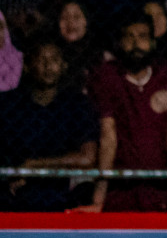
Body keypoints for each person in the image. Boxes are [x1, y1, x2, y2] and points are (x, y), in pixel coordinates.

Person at [86, 12, 167, 212]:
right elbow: (108, 138)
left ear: (153, 42)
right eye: (129, 37)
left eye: (142, 37)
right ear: (119, 43)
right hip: (120, 189)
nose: (136, 44)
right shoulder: (106, 76)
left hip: (163, 188)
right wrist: (98, 201)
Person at [0, 36, 97, 211]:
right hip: (12, 195)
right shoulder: (8, 104)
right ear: (28, 66)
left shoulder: (77, 104)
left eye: (54, 59)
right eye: (41, 59)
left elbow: (87, 158)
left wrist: (32, 166)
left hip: (60, 196)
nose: (48, 66)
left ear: (64, 66)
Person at [53, 0, 105, 95]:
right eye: (64, 17)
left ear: (86, 21)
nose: (71, 23)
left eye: (76, 17)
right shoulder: (51, 53)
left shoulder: (102, 56)